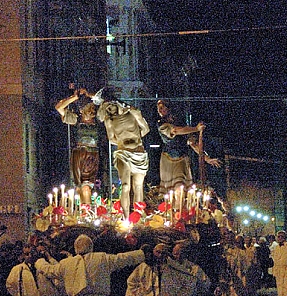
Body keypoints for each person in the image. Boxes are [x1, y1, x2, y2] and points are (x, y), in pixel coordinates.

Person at [94, 90, 150, 219]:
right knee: (125, 185)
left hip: (138, 153)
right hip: (122, 153)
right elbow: (111, 138)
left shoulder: (132, 113)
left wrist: (134, 137)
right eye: (106, 108)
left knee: (138, 186)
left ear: (116, 104)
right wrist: (123, 140)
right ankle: (125, 218)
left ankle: (138, 217)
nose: (109, 109)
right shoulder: (109, 121)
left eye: (110, 106)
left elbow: (146, 129)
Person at [155, 99, 221, 190]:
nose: (160, 110)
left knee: (185, 187)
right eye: (158, 108)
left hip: (183, 158)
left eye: (162, 107)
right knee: (174, 187)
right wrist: (196, 129)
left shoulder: (180, 123)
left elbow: (192, 142)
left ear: (168, 108)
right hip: (170, 159)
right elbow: (175, 130)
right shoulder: (161, 124)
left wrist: (206, 158)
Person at [55, 87, 100, 205]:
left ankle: (87, 211)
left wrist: (89, 94)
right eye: (88, 108)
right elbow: (59, 107)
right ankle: (83, 210)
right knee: (79, 187)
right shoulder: (76, 119)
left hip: (91, 155)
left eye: (92, 108)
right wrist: (74, 97)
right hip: (78, 154)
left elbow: (105, 100)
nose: (91, 111)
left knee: (86, 187)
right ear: (81, 110)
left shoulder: (98, 120)